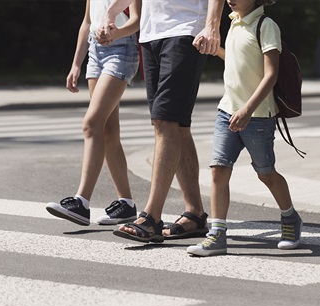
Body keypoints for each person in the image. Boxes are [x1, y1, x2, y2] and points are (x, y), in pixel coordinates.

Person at [102, 0, 225, 243]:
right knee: (177, 125)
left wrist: (212, 25)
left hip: (186, 29)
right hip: (151, 33)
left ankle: (151, 217)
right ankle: (195, 214)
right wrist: (111, 12)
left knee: (165, 120)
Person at [187, 0, 303, 256]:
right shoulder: (233, 23)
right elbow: (235, 60)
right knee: (218, 169)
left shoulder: (266, 25)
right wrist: (214, 49)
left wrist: (248, 110)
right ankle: (217, 234)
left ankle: (290, 218)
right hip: (227, 110)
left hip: (258, 116)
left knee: (266, 173)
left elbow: (270, 74)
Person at [46, 0, 142, 226]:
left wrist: (116, 34)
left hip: (121, 50)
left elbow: (137, 21)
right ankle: (126, 204)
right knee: (108, 130)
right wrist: (76, 64)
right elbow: (87, 22)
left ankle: (81, 202)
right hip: (95, 52)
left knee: (91, 124)